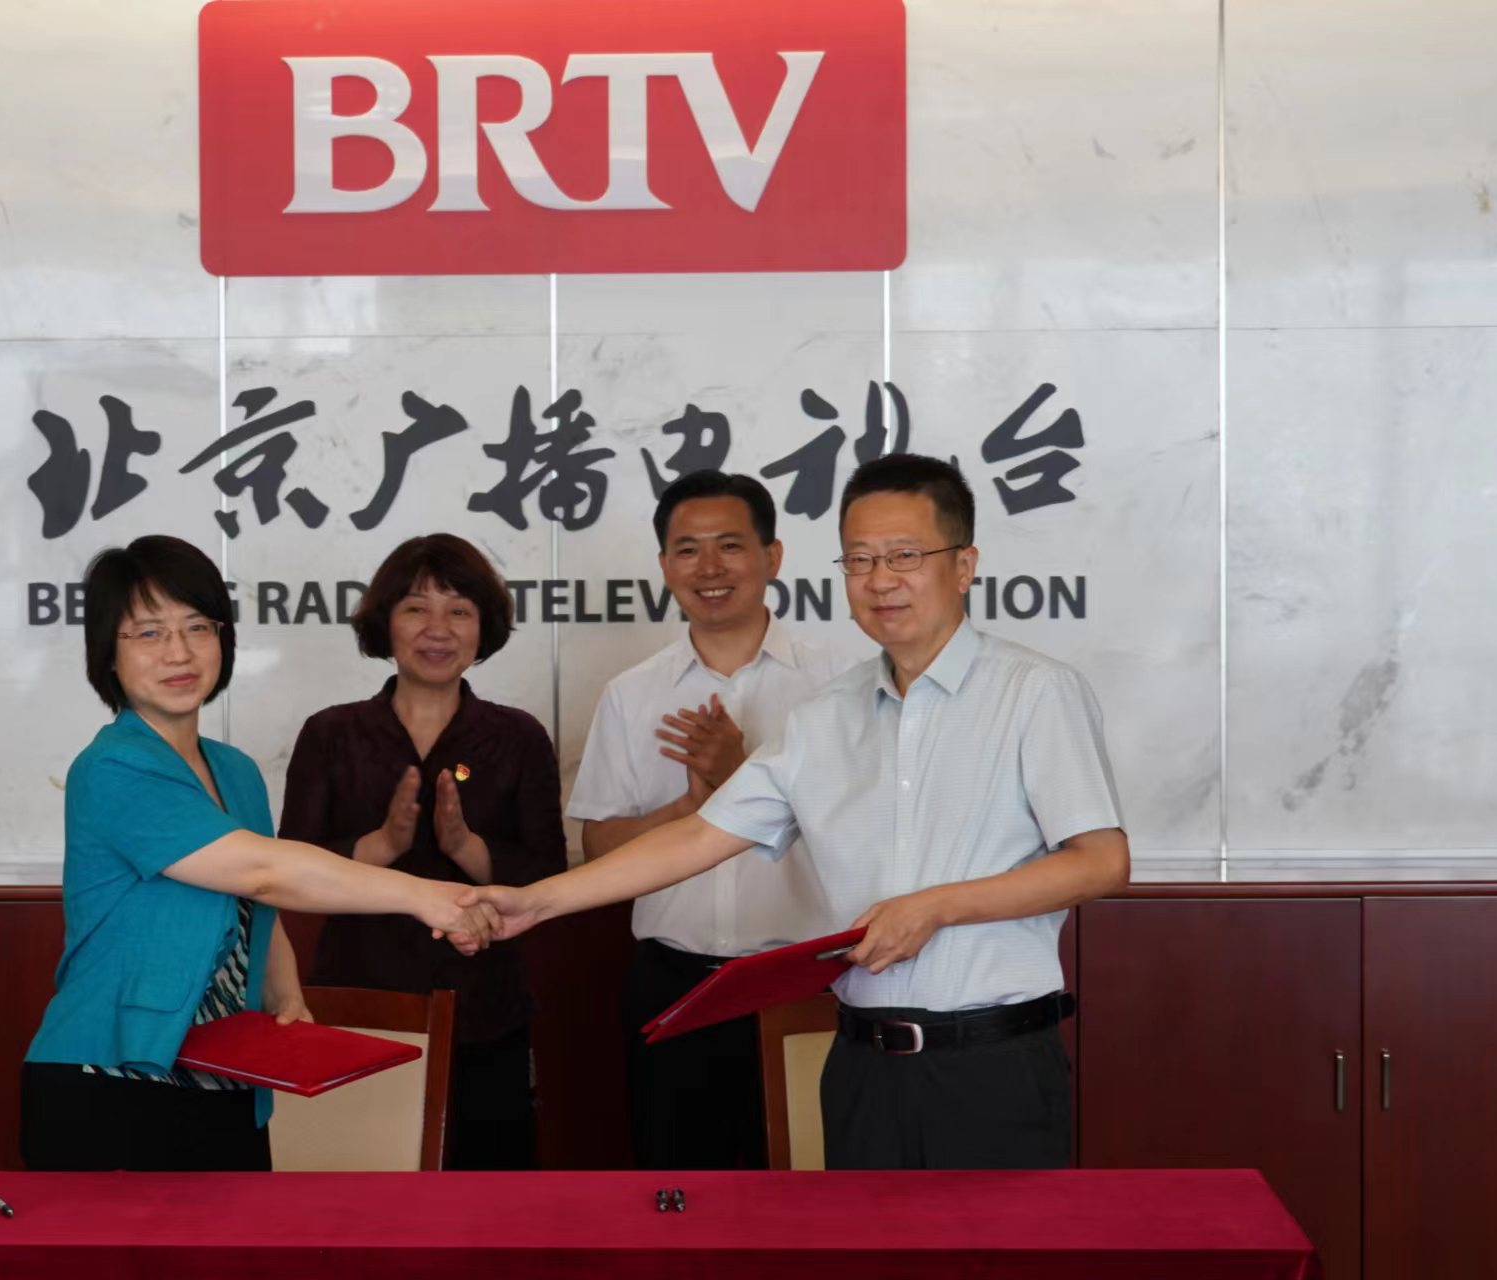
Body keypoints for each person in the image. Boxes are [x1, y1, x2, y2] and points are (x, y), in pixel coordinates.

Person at [465, 455, 1129, 1170]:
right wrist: (538, 901)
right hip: (860, 1062)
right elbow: (697, 838)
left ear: (963, 565)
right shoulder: (824, 716)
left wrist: (938, 906)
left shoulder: (1034, 692)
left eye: (905, 556)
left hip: (993, 1064)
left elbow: (1101, 861)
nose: (880, 580)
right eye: (860, 560)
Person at [21, 535, 493, 1173]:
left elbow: (251, 900)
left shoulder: (235, 770)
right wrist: (425, 896)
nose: (179, 652)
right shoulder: (113, 767)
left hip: (228, 1075)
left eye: (198, 627)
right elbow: (263, 871)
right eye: (150, 633)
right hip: (109, 1076)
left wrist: (284, 991)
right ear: (108, 651)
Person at [568, 471, 842, 1169]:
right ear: (665, 567)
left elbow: (867, 836)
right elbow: (598, 845)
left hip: (803, 981)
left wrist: (740, 772)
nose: (709, 568)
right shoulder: (632, 694)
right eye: (688, 550)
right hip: (672, 983)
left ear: (772, 557)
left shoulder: (840, 683)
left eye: (731, 545)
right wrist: (688, 810)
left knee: (811, 1188)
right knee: (678, 1190)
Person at [280, 533, 566, 1170]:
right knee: (358, 1191)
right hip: (359, 1001)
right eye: (416, 608)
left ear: (483, 627)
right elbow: (291, 871)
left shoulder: (518, 736)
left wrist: (468, 848)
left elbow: (548, 875)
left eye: (459, 610)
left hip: (485, 1010)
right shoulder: (331, 733)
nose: (438, 629)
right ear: (385, 621)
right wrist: (381, 845)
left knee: (488, 1196)